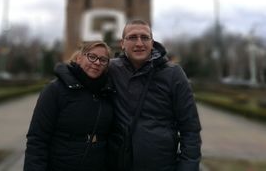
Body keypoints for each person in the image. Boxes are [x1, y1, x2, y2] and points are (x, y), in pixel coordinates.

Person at [108, 19, 202, 171]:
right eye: (132, 37)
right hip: (117, 163)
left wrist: (188, 167)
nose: (139, 43)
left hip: (161, 165)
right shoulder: (111, 69)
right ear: (122, 43)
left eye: (145, 37)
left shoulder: (173, 74)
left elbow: (190, 129)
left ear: (152, 42)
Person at [23, 40, 114, 171]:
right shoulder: (55, 90)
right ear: (79, 58)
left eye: (103, 59)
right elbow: (37, 139)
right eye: (92, 57)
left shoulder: (107, 92)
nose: (97, 62)